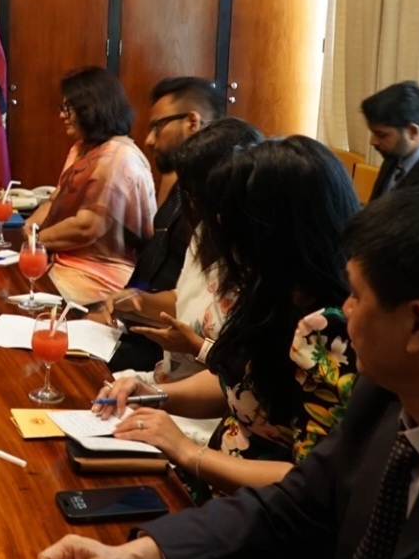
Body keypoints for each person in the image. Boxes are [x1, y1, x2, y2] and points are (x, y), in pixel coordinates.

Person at [38, 183, 419, 559]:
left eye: (356, 296)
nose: (345, 309)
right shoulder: (386, 395)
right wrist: (135, 556)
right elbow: (294, 503)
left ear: (417, 326)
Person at [95, 137, 359, 495]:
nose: (224, 235)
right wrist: (154, 395)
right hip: (214, 488)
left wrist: (187, 451)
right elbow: (238, 384)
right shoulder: (273, 292)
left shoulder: (332, 328)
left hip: (259, 512)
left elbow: (310, 481)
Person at [112, 118, 263, 384]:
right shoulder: (206, 232)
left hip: (202, 399)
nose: (190, 203)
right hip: (167, 379)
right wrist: (135, 300)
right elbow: (185, 295)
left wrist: (195, 346)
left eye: (196, 193)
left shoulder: (261, 261)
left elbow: (246, 378)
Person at [108, 77, 224, 370]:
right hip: (135, 325)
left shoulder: (216, 200)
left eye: (157, 126)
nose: (149, 140)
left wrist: (138, 302)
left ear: (192, 122)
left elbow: (197, 300)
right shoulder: (182, 186)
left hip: (170, 348)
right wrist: (126, 302)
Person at [21, 67, 156, 304]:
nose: (62, 115)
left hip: (98, 274)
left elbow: (87, 227)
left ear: (91, 108)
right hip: (64, 262)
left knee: (18, 299)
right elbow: (56, 198)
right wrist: (29, 226)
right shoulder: (81, 147)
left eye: (68, 108)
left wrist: (36, 240)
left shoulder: (117, 157)